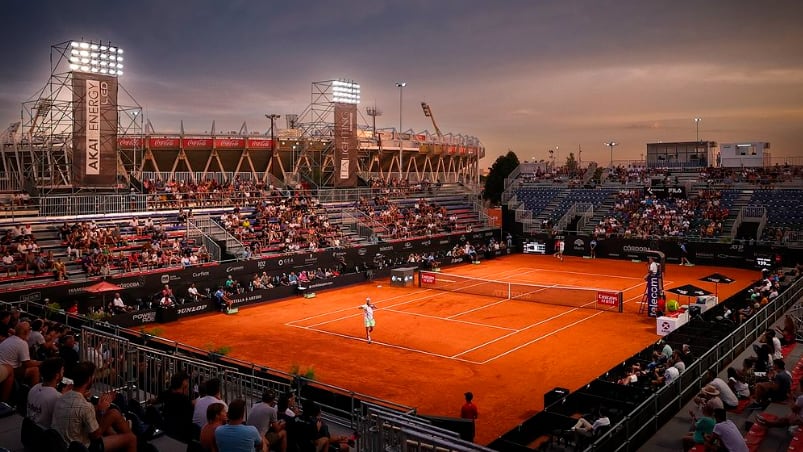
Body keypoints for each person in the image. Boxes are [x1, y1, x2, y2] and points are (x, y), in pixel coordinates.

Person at [51, 361, 137, 452]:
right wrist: (101, 411)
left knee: (113, 413)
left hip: (63, 443)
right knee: (131, 438)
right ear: (89, 379)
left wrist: (99, 408)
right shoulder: (85, 406)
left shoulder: (62, 397)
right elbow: (96, 435)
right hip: (82, 447)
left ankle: (122, 439)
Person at [26, 356, 67, 428]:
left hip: (32, 431)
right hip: (45, 435)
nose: (63, 372)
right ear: (57, 375)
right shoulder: (57, 397)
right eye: (62, 370)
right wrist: (66, 396)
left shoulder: (33, 388)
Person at [157, 372, 194, 442]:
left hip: (167, 430)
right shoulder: (185, 402)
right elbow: (189, 420)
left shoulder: (165, 394)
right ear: (184, 385)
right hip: (181, 436)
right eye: (187, 382)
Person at [0, 320, 40, 386]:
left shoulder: (10, 338)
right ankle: (34, 394)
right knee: (35, 370)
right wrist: (41, 363)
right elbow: (27, 364)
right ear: (25, 332)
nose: (30, 331)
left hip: (3, 366)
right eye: (29, 329)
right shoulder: (22, 343)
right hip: (9, 370)